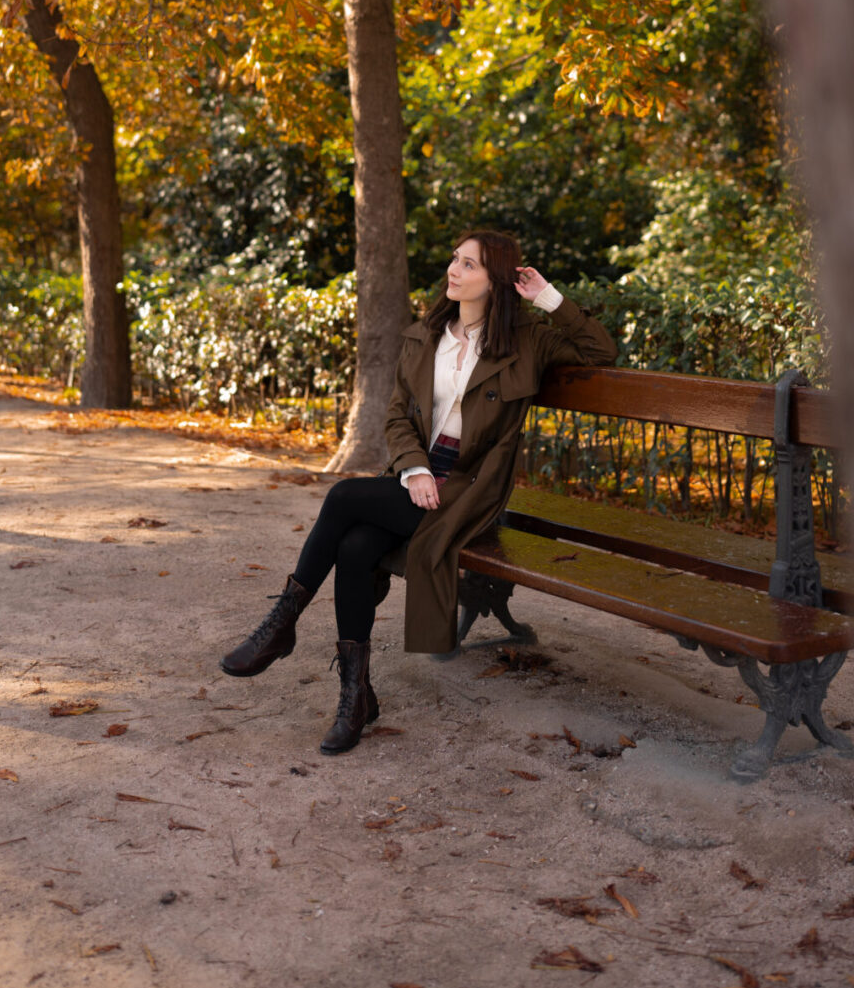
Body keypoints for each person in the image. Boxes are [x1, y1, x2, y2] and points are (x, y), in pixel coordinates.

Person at [219, 229, 617, 754]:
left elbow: (601, 350)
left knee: (343, 500)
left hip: (470, 492)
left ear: (494, 280)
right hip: (418, 481)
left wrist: (546, 297)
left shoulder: (527, 341)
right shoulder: (427, 336)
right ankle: (355, 694)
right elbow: (396, 417)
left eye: (469, 264)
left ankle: (282, 624)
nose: (453, 269)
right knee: (356, 545)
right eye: (455, 259)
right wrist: (413, 470)